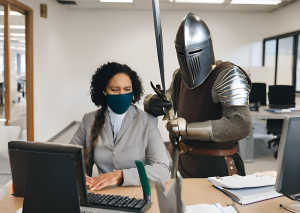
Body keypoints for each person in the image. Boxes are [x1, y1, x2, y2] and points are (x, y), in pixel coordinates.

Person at [144, 12, 252, 178]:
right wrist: (152, 102)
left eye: (196, 51)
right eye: (182, 53)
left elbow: (240, 125)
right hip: (185, 160)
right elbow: (168, 101)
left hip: (218, 164)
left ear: (207, 47)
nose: (188, 59)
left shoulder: (228, 75)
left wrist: (187, 129)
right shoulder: (179, 76)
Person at [70, 62, 170, 190]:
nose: (122, 94)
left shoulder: (148, 122)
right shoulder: (89, 120)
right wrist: (77, 174)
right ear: (104, 91)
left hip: (138, 193)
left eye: (127, 89)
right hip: (102, 194)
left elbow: (162, 169)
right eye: (115, 90)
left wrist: (120, 175)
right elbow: (69, 158)